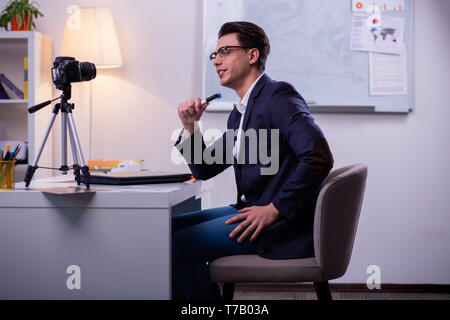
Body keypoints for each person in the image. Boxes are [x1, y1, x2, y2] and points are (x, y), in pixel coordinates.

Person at [172, 21, 334, 300]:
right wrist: (190, 128)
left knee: (177, 246)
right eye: (215, 54)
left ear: (252, 55)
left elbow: (318, 156)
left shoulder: (278, 96)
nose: (217, 61)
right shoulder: (242, 112)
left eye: (225, 51)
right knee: (165, 227)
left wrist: (274, 208)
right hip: (252, 210)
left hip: (280, 225)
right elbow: (205, 169)